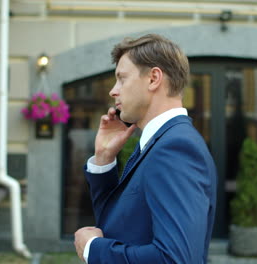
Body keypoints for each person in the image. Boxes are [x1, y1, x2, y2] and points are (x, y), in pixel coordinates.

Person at [74, 34, 217, 264]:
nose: (113, 91)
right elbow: (116, 224)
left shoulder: (175, 148)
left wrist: (93, 249)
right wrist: (103, 159)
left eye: (121, 79)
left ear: (153, 78)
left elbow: (175, 259)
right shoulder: (160, 142)